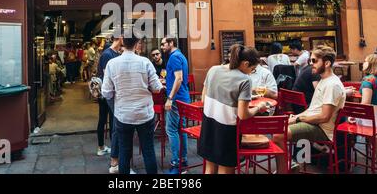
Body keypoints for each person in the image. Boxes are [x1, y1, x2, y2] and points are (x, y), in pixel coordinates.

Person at [273, 46, 346, 174]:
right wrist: (295, 118)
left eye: (314, 61)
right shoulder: (324, 80)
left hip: (322, 129)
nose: (310, 64)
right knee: (277, 127)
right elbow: (312, 109)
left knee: (279, 135)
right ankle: (293, 165)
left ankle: (284, 170)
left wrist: (298, 118)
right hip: (314, 123)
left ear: (327, 63)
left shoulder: (332, 85)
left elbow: (324, 117)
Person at [198, 44, 269, 174]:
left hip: (208, 124)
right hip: (227, 129)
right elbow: (243, 114)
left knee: (209, 168)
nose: (251, 72)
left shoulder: (213, 70)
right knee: (225, 169)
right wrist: (259, 108)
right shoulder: (245, 80)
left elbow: (203, 99)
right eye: (252, 69)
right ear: (246, 64)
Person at [102, 31, 163, 174]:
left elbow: (106, 92)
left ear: (123, 42)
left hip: (123, 115)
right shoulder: (145, 62)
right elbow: (156, 89)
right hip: (144, 114)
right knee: (148, 150)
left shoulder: (112, 64)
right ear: (136, 44)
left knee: (124, 152)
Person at [160, 36, 191, 174]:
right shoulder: (181, 56)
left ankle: (176, 163)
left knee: (171, 130)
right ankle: (183, 162)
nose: (161, 47)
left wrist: (170, 98)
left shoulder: (174, 57)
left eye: (163, 44)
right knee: (181, 129)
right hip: (183, 97)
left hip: (177, 99)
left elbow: (179, 78)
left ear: (171, 43)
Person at [97, 35, 123, 173]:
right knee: (106, 120)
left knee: (111, 121)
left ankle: (112, 151)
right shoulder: (108, 54)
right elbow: (108, 76)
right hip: (107, 94)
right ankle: (104, 150)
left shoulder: (114, 53)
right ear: (120, 38)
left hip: (111, 93)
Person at [357, 53, 377, 168]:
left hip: (374, 119)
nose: (363, 62)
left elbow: (365, 104)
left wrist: (354, 115)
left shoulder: (368, 81)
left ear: (370, 64)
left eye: (365, 61)